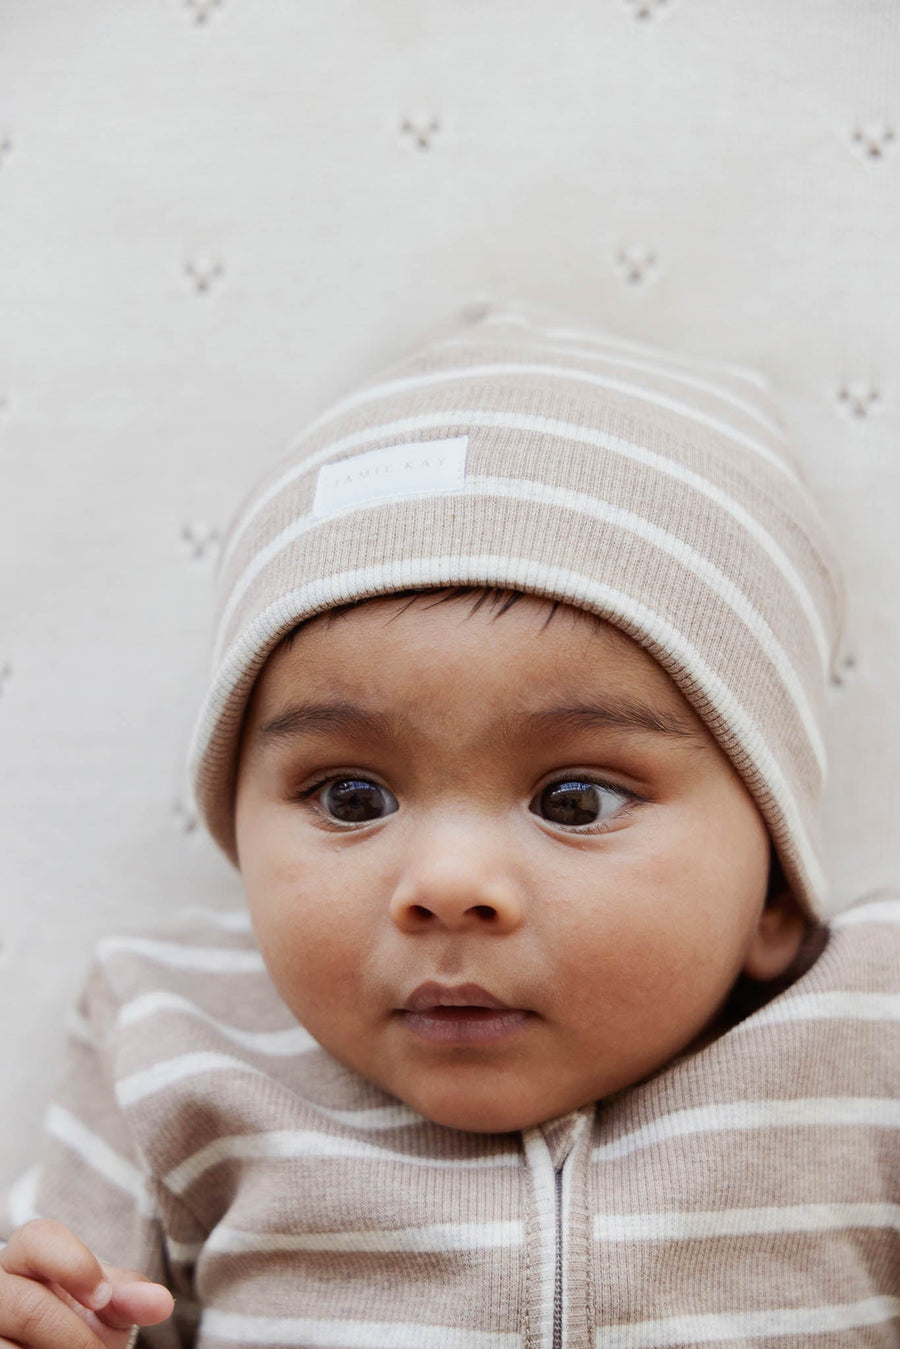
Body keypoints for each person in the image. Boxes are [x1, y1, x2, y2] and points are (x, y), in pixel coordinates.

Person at [0, 301, 896, 1348]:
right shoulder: (175, 1047)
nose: (448, 880)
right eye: (351, 797)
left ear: (777, 891)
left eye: (576, 800)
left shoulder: (867, 1046)